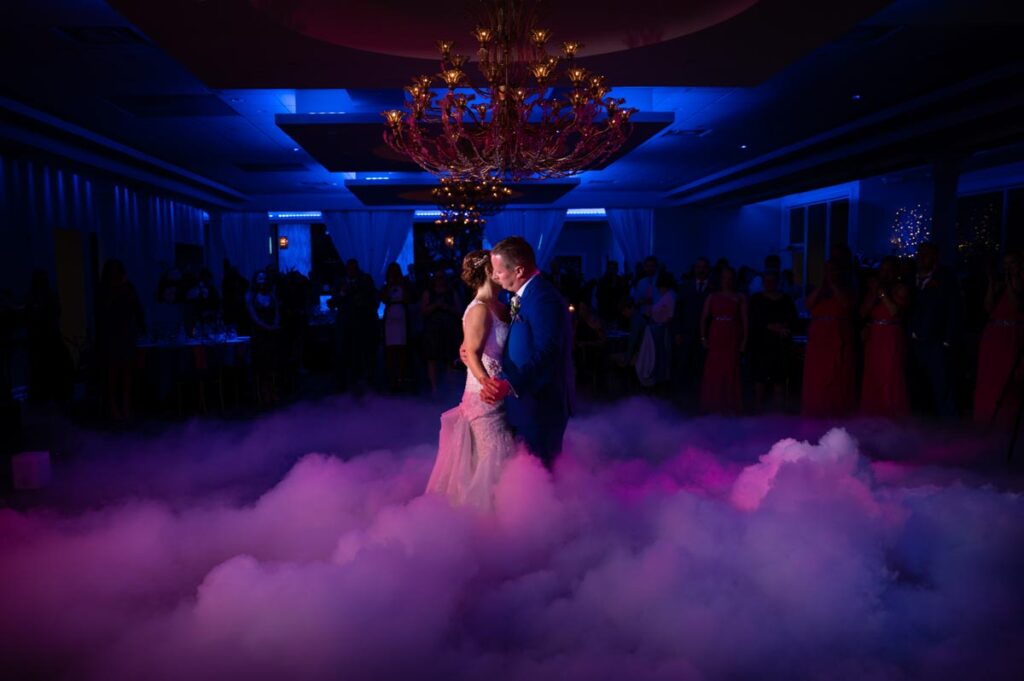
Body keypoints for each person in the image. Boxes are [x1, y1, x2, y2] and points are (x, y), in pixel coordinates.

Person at [426, 251, 515, 508]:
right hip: (484, 396)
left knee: (500, 456)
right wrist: (487, 382)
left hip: (503, 392)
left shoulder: (501, 305)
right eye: (499, 268)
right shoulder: (478, 309)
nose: (503, 272)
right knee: (494, 459)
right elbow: (473, 354)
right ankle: (488, 523)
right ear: (489, 272)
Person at [480, 236, 575, 468]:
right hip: (525, 402)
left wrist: (511, 384)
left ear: (519, 270)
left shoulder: (543, 299)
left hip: (540, 404)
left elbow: (549, 351)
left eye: (498, 271)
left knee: (541, 470)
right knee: (527, 469)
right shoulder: (524, 295)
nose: (494, 277)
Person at [907, 242, 962, 418]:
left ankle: (948, 424)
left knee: (942, 383)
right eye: (920, 253)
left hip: (936, 339)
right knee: (919, 383)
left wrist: (948, 339)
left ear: (935, 257)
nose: (921, 257)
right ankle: (924, 422)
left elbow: (954, 309)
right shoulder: (911, 277)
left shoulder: (945, 278)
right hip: (914, 340)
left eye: (926, 254)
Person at [973, 250, 1024, 427]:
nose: (1008, 267)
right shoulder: (1000, 282)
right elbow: (988, 308)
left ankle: (1006, 420)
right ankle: (987, 417)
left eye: (1012, 263)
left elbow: (1016, 306)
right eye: (1005, 263)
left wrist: (1011, 282)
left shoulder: (1020, 281)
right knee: (990, 377)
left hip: (1011, 334)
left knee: (1008, 377)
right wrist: (991, 283)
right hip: (993, 333)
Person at [802, 258, 857, 418]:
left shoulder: (847, 288)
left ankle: (837, 410)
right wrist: (822, 286)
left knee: (837, 372)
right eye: (827, 270)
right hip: (819, 336)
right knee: (818, 374)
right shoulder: (817, 289)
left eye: (833, 270)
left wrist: (834, 285)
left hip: (837, 332)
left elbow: (847, 304)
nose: (830, 273)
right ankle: (816, 408)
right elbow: (808, 304)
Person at [860, 256, 910, 419]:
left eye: (889, 270)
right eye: (883, 270)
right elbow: (862, 313)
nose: (886, 274)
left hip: (891, 334)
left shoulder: (900, 288)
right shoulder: (873, 290)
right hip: (875, 335)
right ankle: (873, 414)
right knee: (874, 373)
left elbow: (894, 311)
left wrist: (882, 293)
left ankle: (892, 414)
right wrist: (875, 293)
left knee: (890, 373)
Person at [96, 259, 144, 421]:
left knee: (126, 371)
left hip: (126, 333)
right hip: (112, 334)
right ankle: (114, 407)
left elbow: (137, 306)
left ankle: (125, 406)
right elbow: (103, 311)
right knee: (113, 372)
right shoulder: (106, 290)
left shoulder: (128, 288)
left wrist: (140, 327)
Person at [699, 265, 747, 414]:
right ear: (720, 279)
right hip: (716, 334)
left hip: (732, 335)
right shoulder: (712, 296)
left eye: (730, 277)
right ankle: (713, 404)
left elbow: (745, 320)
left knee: (731, 369)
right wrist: (703, 337)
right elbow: (704, 318)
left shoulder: (740, 297)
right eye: (724, 277)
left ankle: (730, 404)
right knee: (714, 370)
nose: (727, 280)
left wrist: (744, 340)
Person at [748, 269, 798, 413]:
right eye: (767, 281)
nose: (769, 284)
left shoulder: (786, 299)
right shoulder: (756, 299)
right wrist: (769, 326)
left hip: (780, 345)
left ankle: (778, 413)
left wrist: (784, 328)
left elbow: (793, 320)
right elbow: (753, 321)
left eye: (772, 281)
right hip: (761, 344)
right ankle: (758, 411)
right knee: (760, 378)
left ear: (778, 282)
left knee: (779, 378)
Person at [380, 262, 413, 392]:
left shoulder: (405, 284)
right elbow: (383, 298)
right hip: (390, 317)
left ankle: (402, 378)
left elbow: (409, 298)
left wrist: (401, 285)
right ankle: (392, 379)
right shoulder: (386, 286)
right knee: (391, 349)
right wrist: (389, 286)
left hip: (401, 315)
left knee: (402, 348)